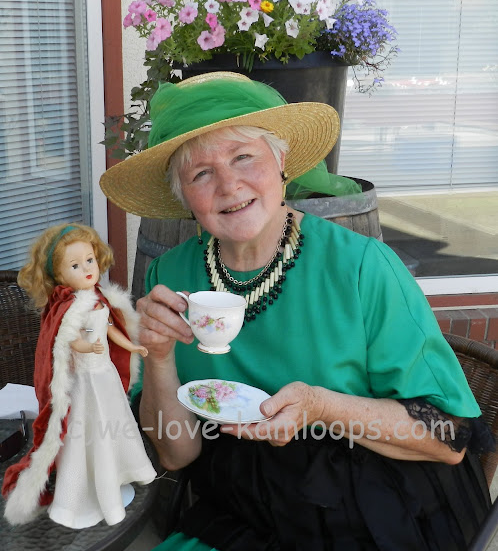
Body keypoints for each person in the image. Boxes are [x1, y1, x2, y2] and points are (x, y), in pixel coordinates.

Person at [100, 72, 492, 550]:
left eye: (244, 157)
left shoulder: (362, 266)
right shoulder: (168, 275)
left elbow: (448, 439)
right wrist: (159, 358)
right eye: (201, 173)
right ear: (184, 197)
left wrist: (320, 406)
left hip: (370, 508)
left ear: (281, 162)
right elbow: (177, 455)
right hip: (241, 508)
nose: (228, 184)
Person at [2, 223, 156, 528]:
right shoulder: (68, 308)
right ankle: (85, 484)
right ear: (60, 276)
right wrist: (87, 346)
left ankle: (116, 473)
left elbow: (112, 329)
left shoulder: (100, 299)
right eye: (75, 265)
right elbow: (67, 340)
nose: (87, 268)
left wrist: (133, 347)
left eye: (90, 259)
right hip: (84, 381)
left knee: (113, 422)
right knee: (84, 430)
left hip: (105, 376)